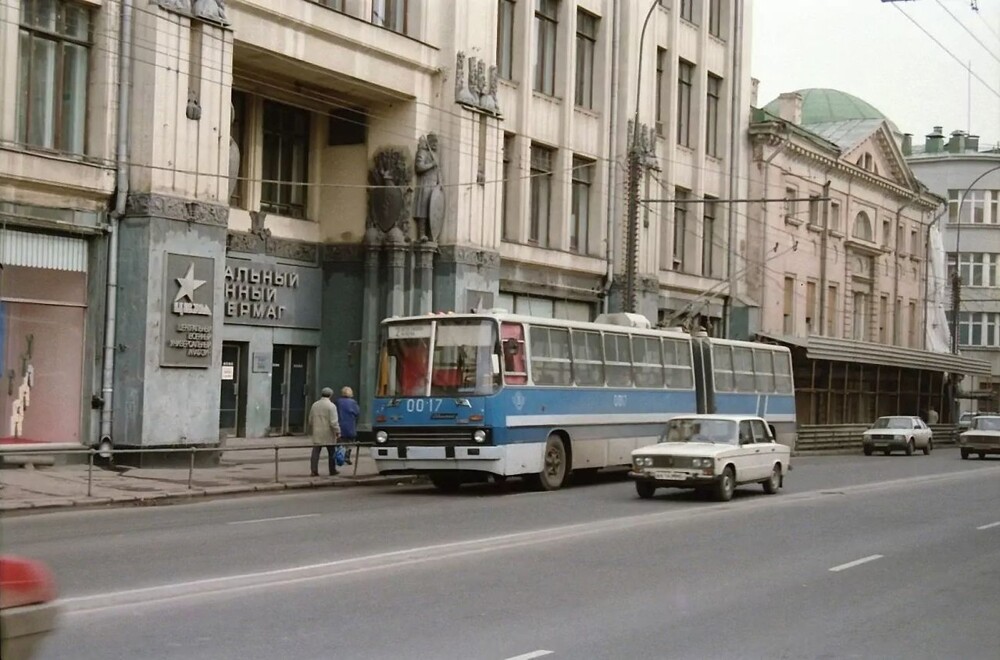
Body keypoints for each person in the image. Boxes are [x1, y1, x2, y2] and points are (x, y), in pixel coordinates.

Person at [309, 387, 341, 476]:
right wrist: (338, 431)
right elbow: (333, 422)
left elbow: (310, 420)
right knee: (331, 452)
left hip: (317, 431)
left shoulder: (315, 405)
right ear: (331, 395)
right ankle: (332, 470)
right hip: (328, 433)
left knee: (315, 452)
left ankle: (314, 470)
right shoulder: (331, 406)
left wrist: (313, 427)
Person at [335, 386, 361, 465]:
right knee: (350, 442)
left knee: (340, 441)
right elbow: (357, 412)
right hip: (350, 425)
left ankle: (340, 456)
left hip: (340, 424)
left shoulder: (338, 402)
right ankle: (347, 456)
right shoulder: (353, 402)